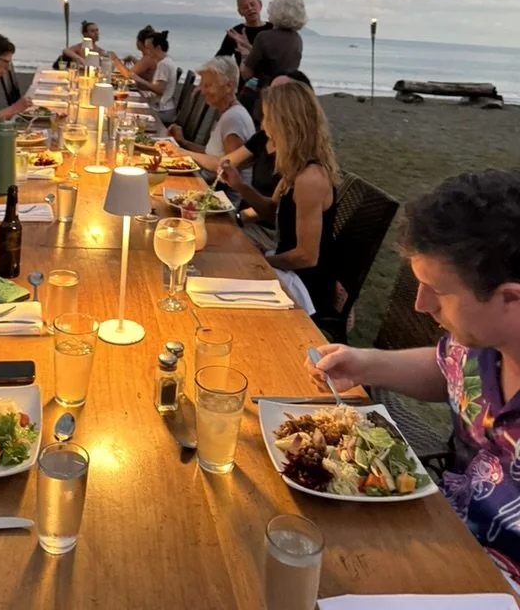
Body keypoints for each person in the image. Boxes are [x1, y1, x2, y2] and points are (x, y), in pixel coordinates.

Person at [307, 170, 520, 588]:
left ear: (511, 297)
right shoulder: (480, 344)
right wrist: (365, 364)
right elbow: (448, 373)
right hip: (437, 535)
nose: (421, 306)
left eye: (437, 291)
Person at [221, 79, 339, 317]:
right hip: (285, 266)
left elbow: (306, 256)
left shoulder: (310, 178)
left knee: (223, 281)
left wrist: (260, 261)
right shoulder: (294, 166)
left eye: (267, 118)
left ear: (285, 124)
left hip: (304, 285)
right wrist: (239, 186)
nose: (264, 127)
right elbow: (271, 212)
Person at [168, 56, 255, 183]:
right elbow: (213, 155)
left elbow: (230, 169)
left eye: (208, 85)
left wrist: (181, 152)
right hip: (207, 181)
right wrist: (183, 142)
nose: (202, 91)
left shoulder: (233, 119)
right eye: (202, 85)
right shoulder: (229, 112)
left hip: (218, 193)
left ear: (228, 86)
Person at [240, 0, 306, 89]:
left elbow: (246, 73)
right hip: (288, 92)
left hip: (266, 94)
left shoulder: (264, 37)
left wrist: (244, 55)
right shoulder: (297, 39)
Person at [131, 30, 178, 125]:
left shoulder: (163, 64)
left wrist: (138, 79)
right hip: (162, 107)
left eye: (148, 48)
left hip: (163, 110)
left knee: (132, 116)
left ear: (158, 48)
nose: (147, 51)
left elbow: (160, 90)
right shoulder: (165, 61)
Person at [216, 0, 271, 66]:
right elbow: (219, 60)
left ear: (260, 4)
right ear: (240, 12)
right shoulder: (235, 33)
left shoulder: (273, 29)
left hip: (273, 77)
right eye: (245, 7)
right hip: (244, 77)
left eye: (252, 4)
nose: (250, 8)